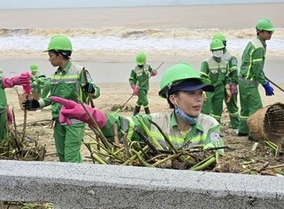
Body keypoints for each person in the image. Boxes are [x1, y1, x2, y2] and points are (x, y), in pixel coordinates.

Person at [46, 63, 224, 154]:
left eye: (200, 93)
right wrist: (93, 115)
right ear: (173, 98)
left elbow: (215, 156)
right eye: (192, 93)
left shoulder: (210, 125)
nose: (199, 98)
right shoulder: (155, 123)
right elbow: (125, 125)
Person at [22, 35, 100, 163]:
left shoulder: (80, 72)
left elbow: (96, 92)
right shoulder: (54, 76)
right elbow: (52, 99)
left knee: (70, 158)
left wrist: (91, 89)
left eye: (51, 55)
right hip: (58, 121)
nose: (49, 59)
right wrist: (36, 103)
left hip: (75, 122)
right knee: (63, 157)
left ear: (59, 55)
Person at [237, 19, 275, 137]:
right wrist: (265, 84)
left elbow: (249, 62)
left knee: (245, 109)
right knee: (256, 109)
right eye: (268, 32)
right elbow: (257, 69)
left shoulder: (252, 43)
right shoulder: (259, 47)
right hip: (249, 82)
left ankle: (243, 131)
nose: (270, 35)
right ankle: (254, 134)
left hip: (242, 80)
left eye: (271, 32)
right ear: (260, 32)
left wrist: (260, 72)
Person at [213, 33, 240, 129]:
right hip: (219, 86)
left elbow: (234, 72)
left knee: (232, 107)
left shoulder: (230, 58)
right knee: (216, 108)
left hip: (229, 85)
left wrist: (234, 84)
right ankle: (215, 126)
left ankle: (236, 125)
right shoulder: (214, 59)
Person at [200, 39, 228, 123]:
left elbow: (226, 77)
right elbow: (202, 77)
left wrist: (227, 87)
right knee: (206, 110)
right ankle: (203, 127)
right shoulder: (206, 62)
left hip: (220, 90)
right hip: (209, 90)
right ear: (212, 51)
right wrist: (203, 90)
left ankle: (215, 129)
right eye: (216, 50)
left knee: (217, 112)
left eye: (220, 49)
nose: (219, 51)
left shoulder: (225, 63)